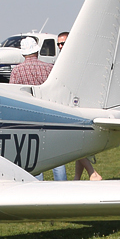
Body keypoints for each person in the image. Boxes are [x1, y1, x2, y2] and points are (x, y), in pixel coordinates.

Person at [46, 30, 102, 181]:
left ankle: (93, 173)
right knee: (79, 142)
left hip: (75, 104)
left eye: (63, 43)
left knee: (70, 143)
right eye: (58, 44)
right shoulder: (62, 60)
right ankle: (78, 177)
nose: (60, 46)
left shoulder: (76, 60)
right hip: (68, 103)